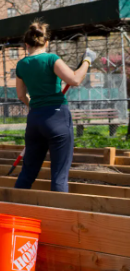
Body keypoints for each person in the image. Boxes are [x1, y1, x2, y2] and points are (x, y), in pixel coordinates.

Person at [14, 22, 96, 192]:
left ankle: (14, 205)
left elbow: (21, 95)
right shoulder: (51, 59)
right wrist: (87, 60)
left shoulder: (21, 65)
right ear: (46, 43)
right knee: (59, 174)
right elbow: (75, 79)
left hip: (35, 120)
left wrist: (33, 106)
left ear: (26, 45)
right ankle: (58, 208)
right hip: (57, 117)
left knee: (27, 172)